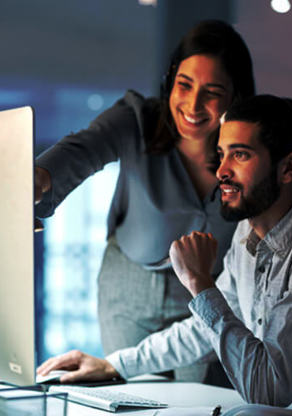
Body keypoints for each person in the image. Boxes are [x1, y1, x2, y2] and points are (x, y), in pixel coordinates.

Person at [38, 94, 292, 415]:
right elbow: (202, 331)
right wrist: (115, 365)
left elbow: (268, 391)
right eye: (222, 154)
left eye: (240, 155)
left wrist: (199, 283)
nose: (221, 171)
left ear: (289, 167)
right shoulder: (248, 232)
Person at [34, 19, 255, 381]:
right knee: (132, 395)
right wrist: (40, 176)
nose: (193, 104)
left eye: (212, 92)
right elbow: (85, 147)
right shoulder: (136, 118)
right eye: (184, 85)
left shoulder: (247, 152)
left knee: (198, 404)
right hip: (129, 290)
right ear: (170, 80)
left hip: (206, 294)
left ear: (235, 96)